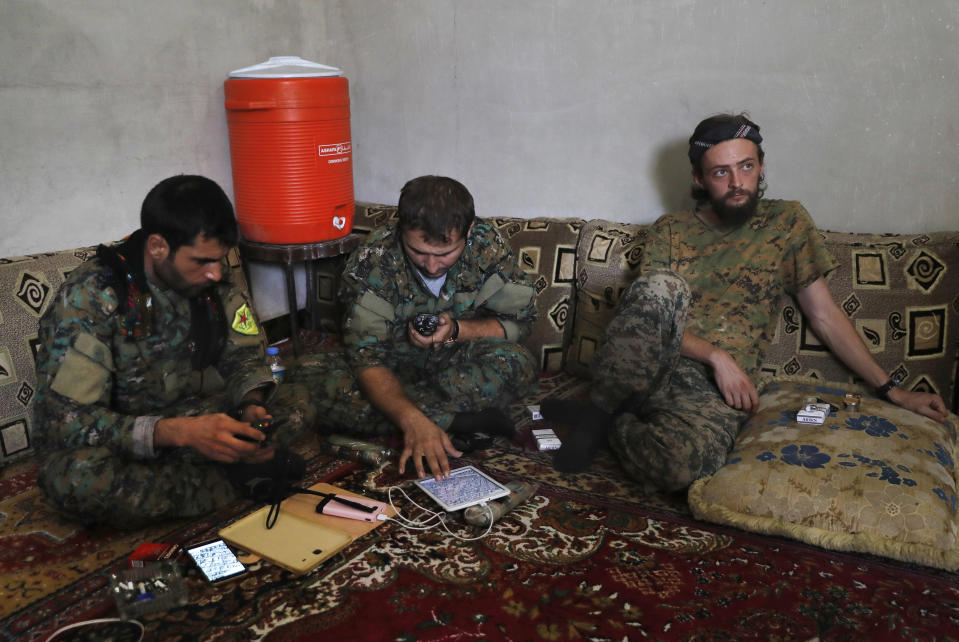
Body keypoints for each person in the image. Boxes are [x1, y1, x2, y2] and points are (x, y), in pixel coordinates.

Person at [545, 113, 949, 491]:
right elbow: (648, 315)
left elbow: (824, 315)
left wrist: (893, 391)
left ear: (761, 167)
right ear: (700, 180)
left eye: (747, 166)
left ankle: (609, 422)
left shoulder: (787, 223)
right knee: (661, 287)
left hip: (710, 394)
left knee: (680, 468)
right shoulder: (671, 229)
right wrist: (717, 356)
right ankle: (598, 414)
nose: (737, 182)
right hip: (653, 365)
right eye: (721, 172)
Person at [34, 175, 314, 528]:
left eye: (220, 259)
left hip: (190, 412)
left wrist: (249, 405)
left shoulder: (210, 275)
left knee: (300, 396)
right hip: (123, 436)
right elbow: (66, 420)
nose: (216, 273)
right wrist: (177, 432)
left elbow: (243, 357)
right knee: (76, 481)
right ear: (157, 247)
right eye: (202, 261)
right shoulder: (92, 298)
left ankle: (228, 462)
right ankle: (234, 477)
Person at [294, 175, 538, 481]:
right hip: (392, 369)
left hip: (455, 363)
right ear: (401, 230)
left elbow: (520, 322)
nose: (432, 266)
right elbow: (366, 357)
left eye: (445, 254)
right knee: (308, 373)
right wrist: (412, 420)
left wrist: (458, 331)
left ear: (470, 231)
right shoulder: (373, 262)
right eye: (419, 252)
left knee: (519, 362)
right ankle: (456, 419)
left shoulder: (486, 246)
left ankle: (415, 414)